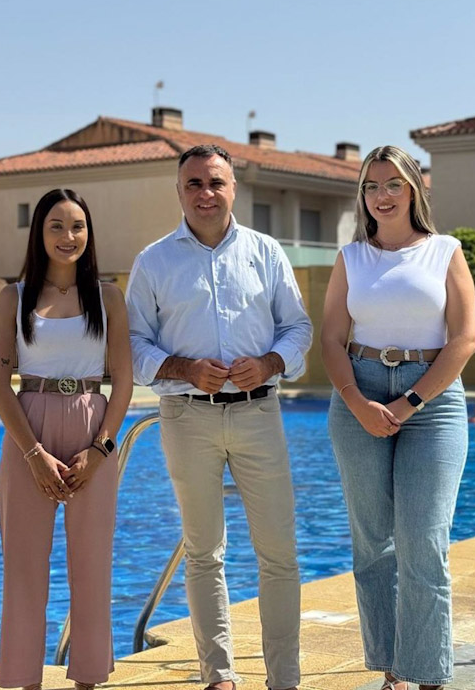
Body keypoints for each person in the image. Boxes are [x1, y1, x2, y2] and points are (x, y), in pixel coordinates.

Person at [126, 144, 312, 690]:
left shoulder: (266, 252)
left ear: (234, 188)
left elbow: (298, 328)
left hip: (261, 414)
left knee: (279, 554)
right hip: (186, 417)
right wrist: (182, 367)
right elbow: (133, 347)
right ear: (179, 191)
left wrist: (273, 362)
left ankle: (285, 679)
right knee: (204, 552)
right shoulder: (153, 261)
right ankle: (220, 678)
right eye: (193, 185)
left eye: (215, 183)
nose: (205, 194)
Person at [320, 145, 475, 690]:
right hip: (357, 392)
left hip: (431, 402)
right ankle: (394, 669)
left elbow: (464, 340)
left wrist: (409, 402)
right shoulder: (351, 258)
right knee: (372, 545)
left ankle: (427, 671)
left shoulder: (446, 251)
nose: (381, 196)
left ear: (415, 189)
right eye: (371, 186)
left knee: (424, 541)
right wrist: (357, 402)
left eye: (393, 184)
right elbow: (332, 339)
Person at [0, 188, 132, 690]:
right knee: (25, 569)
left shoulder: (109, 297)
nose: (67, 236)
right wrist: (33, 455)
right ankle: (24, 680)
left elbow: (124, 382)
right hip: (29, 426)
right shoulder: (14, 297)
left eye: (77, 226)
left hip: (94, 424)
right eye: (56, 226)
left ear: (89, 234)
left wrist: (100, 449)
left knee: (92, 566)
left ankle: (89, 678)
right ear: (39, 233)